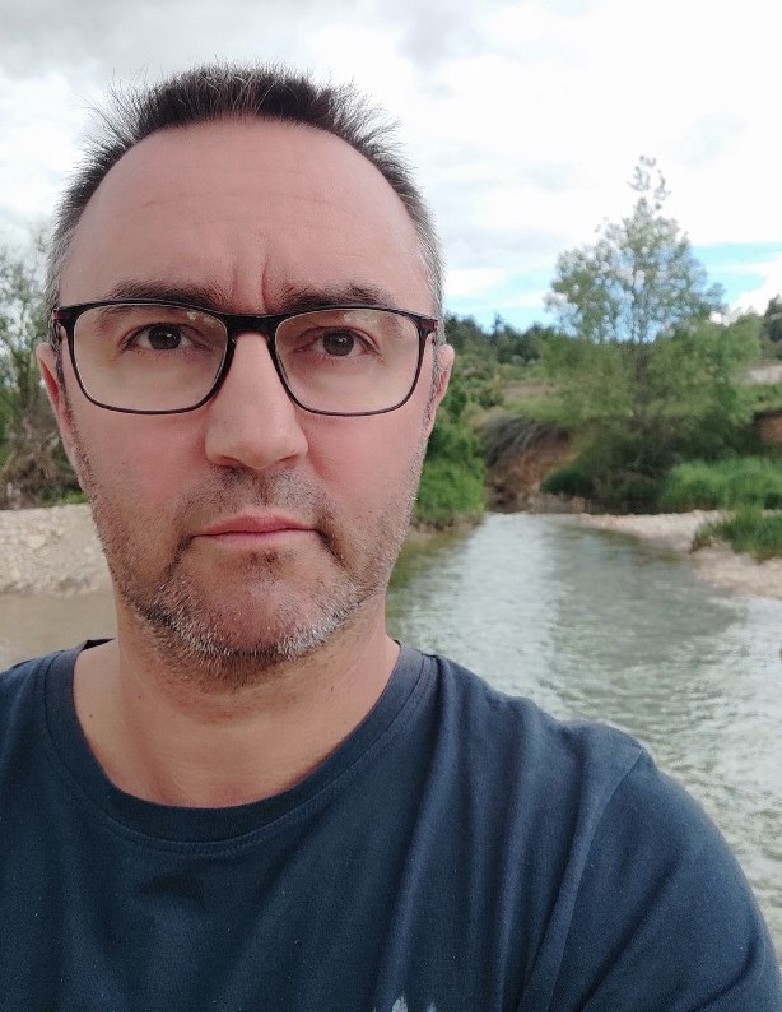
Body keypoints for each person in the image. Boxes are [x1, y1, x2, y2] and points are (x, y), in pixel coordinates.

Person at [0, 63, 778, 1010]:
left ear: (430, 399)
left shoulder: (615, 881)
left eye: (339, 341)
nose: (257, 434)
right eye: (163, 336)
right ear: (63, 399)